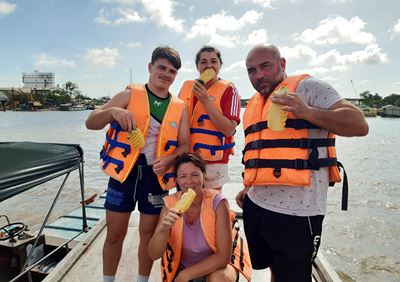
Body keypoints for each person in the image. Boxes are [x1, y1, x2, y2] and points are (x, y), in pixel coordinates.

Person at [235, 45, 369, 282]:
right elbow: (262, 153)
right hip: (256, 205)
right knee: (274, 272)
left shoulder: (308, 88)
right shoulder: (255, 104)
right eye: (251, 70)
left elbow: (359, 124)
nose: (258, 75)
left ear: (282, 64)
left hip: (298, 214)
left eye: (265, 66)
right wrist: (249, 188)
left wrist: (306, 111)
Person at [85, 46, 190, 282]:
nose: (166, 74)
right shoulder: (129, 95)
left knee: (148, 234)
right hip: (124, 174)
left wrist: (171, 158)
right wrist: (112, 112)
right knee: (114, 234)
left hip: (156, 176)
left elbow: (185, 146)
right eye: (161, 68)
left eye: (172, 71)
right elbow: (91, 122)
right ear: (150, 67)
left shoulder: (180, 107)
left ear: (176, 76)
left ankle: (142, 279)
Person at [148, 153, 252, 282]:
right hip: (182, 267)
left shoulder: (218, 203)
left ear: (204, 176)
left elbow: (223, 257)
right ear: (177, 181)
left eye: (195, 174)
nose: (189, 181)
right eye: (183, 176)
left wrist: (185, 275)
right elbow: (154, 254)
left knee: (218, 279)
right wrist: (162, 230)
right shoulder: (169, 206)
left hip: (218, 268)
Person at [178, 46, 241, 192]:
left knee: (211, 205)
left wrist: (206, 101)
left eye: (213, 61)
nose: (208, 66)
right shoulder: (187, 87)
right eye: (203, 62)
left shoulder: (229, 90)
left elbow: (229, 129)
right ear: (197, 66)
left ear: (220, 64)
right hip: (187, 159)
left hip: (214, 161)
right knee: (187, 204)